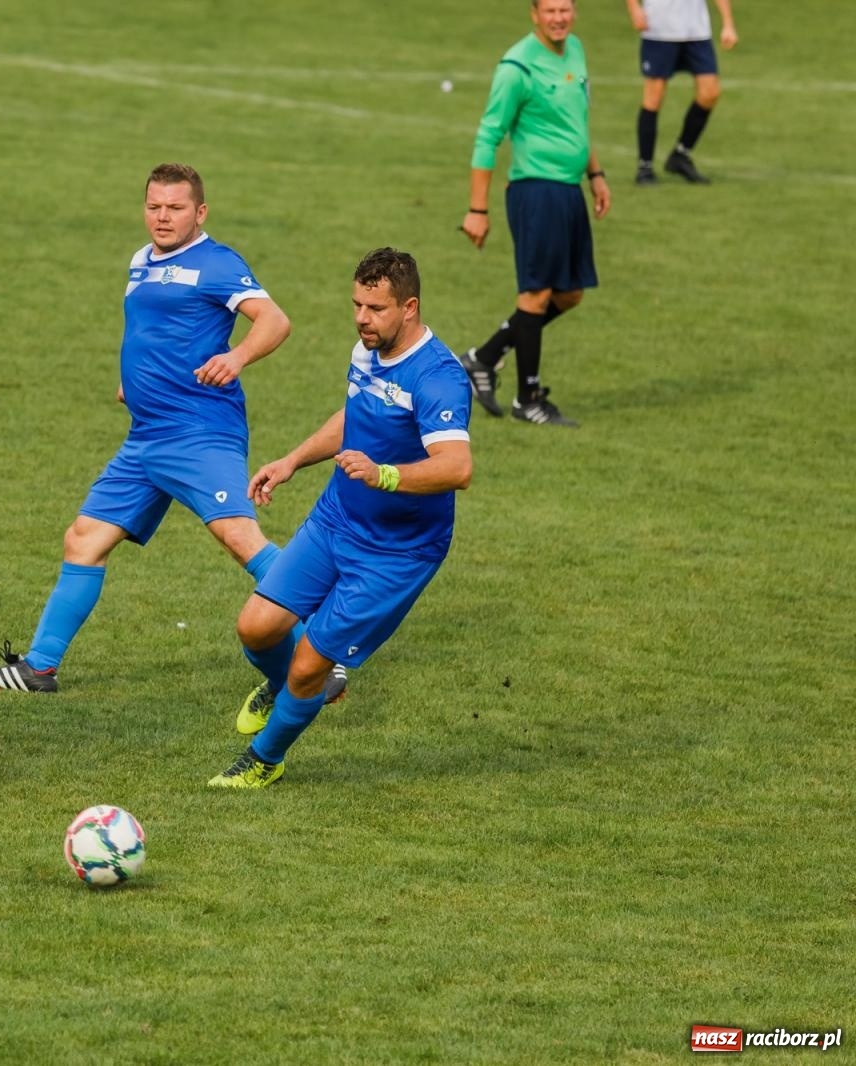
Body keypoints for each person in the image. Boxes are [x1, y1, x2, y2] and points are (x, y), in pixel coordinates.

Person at [0, 163, 294, 694]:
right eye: (154, 206)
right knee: (84, 538)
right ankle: (39, 667)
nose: (163, 217)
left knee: (239, 537)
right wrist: (133, 379)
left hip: (197, 431)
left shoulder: (217, 262)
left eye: (175, 208)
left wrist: (236, 358)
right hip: (146, 436)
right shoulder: (141, 261)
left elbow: (276, 321)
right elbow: (147, 328)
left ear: (200, 212)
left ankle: (327, 649)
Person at [209, 248, 472, 789]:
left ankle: (264, 760)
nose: (361, 318)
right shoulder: (368, 348)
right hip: (336, 519)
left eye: (375, 309)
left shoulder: (438, 377)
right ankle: (283, 687)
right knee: (255, 628)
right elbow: (355, 412)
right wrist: (292, 461)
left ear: (409, 307)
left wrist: (384, 475)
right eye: (356, 305)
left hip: (396, 552)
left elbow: (457, 467)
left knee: (310, 665)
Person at [458, 0, 610, 430]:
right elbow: (488, 136)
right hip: (536, 190)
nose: (559, 18)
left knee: (571, 293)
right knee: (536, 295)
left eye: (565, 9)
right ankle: (528, 399)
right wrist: (477, 209)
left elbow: (578, 122)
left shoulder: (575, 49)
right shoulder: (517, 67)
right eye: (550, 11)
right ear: (534, 14)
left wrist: (596, 174)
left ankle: (484, 357)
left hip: (569, 189)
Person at [629, 0, 738, 185]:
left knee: (710, 92)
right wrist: (634, 8)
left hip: (697, 31)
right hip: (659, 29)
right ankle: (644, 167)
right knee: (653, 97)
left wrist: (728, 23)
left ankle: (680, 155)